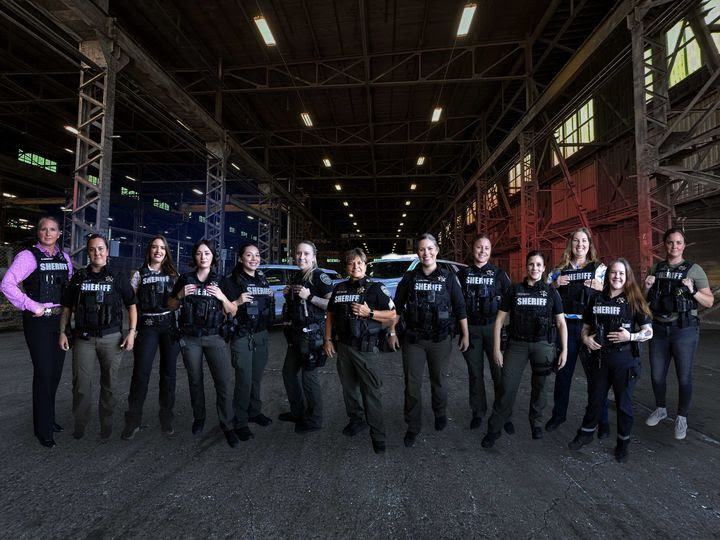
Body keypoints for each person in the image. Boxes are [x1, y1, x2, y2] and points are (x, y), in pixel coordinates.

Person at [568, 258, 653, 462]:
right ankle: (586, 433)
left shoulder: (634, 300)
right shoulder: (596, 299)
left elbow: (648, 332)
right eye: (614, 273)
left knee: (624, 405)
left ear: (627, 276)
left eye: (621, 273)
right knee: (595, 400)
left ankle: (623, 443)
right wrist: (586, 339)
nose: (617, 276)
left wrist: (630, 337)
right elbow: (586, 326)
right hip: (600, 359)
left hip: (625, 360)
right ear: (608, 275)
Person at [482, 250, 567, 449]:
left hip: (543, 346)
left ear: (544, 268)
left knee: (541, 387)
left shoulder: (551, 292)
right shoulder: (514, 290)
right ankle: (494, 429)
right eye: (531, 264)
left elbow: (561, 323)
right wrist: (496, 348)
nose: (534, 268)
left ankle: (536, 422)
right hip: (517, 345)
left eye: (538, 264)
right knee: (507, 388)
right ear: (526, 266)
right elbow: (500, 320)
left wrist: (564, 350)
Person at [391, 233, 469, 448]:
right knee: (412, 385)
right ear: (418, 252)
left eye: (430, 248)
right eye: (422, 249)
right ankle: (413, 425)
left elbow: (460, 307)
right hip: (414, 339)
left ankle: (440, 413)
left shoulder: (449, 278)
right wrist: (392, 332)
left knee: (439, 381)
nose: (426, 253)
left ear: (437, 250)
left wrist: (465, 334)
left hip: (440, 340)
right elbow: (397, 307)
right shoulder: (409, 278)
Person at [1, 216, 72, 448]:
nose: (48, 233)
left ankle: (49, 419)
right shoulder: (28, 256)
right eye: (43, 229)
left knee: (55, 373)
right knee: (43, 373)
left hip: (60, 322)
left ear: (59, 233)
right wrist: (32, 305)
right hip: (38, 322)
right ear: (38, 232)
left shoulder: (65, 258)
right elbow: (7, 284)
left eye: (52, 229)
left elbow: (70, 288)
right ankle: (42, 429)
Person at [58, 234, 137, 440]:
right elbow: (67, 307)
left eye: (101, 248)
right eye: (93, 249)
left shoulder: (118, 277)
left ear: (107, 251)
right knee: (81, 385)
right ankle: (80, 423)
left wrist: (131, 333)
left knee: (109, 384)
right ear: (88, 252)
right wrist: (62, 332)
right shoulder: (79, 277)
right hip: (84, 339)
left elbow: (132, 305)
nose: (97, 253)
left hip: (111, 339)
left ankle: (106, 423)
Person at [167, 239, 240, 448]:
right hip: (191, 338)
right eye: (199, 253)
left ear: (213, 257)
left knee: (223, 382)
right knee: (195, 380)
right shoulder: (185, 279)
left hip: (214, 337)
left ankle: (227, 424)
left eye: (207, 253)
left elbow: (233, 310)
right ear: (194, 257)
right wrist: (180, 295)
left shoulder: (221, 281)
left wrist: (222, 297)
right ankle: (199, 417)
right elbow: (171, 304)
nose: (203, 257)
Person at [323, 247, 396, 454]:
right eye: (351, 263)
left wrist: (370, 312)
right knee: (349, 389)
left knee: (371, 392)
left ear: (365, 265)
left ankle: (378, 435)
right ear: (346, 267)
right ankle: (356, 420)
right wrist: (327, 340)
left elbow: (393, 315)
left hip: (365, 349)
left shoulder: (376, 288)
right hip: (343, 347)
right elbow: (329, 314)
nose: (356, 266)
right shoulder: (340, 289)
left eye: (359, 263)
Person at [644, 228, 713, 439]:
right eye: (671, 242)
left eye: (679, 242)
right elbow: (644, 302)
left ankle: (682, 417)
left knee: (684, 377)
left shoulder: (694, 269)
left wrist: (692, 291)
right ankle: (661, 408)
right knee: (656, 375)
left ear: (684, 245)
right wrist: (646, 288)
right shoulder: (656, 269)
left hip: (684, 329)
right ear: (665, 245)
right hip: (659, 329)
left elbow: (709, 301)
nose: (674, 246)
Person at [546, 227, 607, 435]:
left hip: (590, 328)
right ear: (570, 245)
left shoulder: (599, 269)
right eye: (576, 241)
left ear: (589, 244)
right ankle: (558, 415)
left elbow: (618, 289)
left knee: (596, 377)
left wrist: (602, 287)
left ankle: (601, 419)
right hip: (567, 328)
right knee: (563, 373)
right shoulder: (560, 269)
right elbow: (542, 290)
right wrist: (554, 284)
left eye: (584, 241)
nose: (580, 245)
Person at [121, 235, 180, 440]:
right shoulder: (139, 274)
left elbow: (178, 303)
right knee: (140, 374)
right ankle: (133, 421)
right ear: (149, 250)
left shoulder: (174, 274)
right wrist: (132, 329)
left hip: (168, 325)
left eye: (162, 248)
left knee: (168, 375)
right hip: (147, 326)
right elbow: (131, 304)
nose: (158, 251)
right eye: (154, 247)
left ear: (166, 252)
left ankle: (166, 420)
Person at [457, 234, 512, 432]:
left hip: (493, 329)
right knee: (475, 373)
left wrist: (505, 329)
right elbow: (456, 303)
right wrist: (461, 331)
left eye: (486, 248)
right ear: (473, 250)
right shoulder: (462, 275)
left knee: (499, 372)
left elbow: (510, 302)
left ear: (490, 251)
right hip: (470, 329)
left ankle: (502, 414)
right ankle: (478, 412)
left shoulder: (499, 275)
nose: (482, 251)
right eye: (479, 247)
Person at [278, 241, 334, 434]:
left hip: (312, 335)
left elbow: (332, 304)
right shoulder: (296, 275)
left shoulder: (319, 276)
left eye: (306, 254)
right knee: (288, 373)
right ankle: (297, 412)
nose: (301, 257)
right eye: (299, 253)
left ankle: (314, 419)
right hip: (295, 334)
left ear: (314, 256)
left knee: (308, 377)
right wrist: (288, 295)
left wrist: (310, 297)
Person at [223, 243, 274, 442]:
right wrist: (237, 301)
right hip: (242, 334)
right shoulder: (231, 281)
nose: (254, 259)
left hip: (260, 333)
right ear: (240, 258)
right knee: (244, 380)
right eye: (249, 255)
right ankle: (241, 421)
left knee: (256, 378)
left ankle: (255, 411)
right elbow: (224, 310)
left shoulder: (262, 278)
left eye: (257, 255)